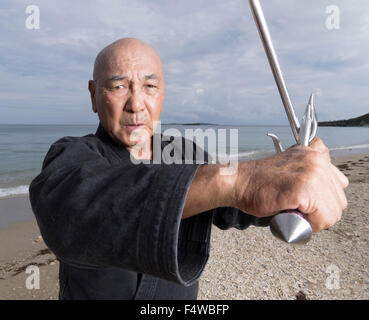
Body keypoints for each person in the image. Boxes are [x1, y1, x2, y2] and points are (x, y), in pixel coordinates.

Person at [29, 38, 348, 300]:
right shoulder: (72, 154)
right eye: (119, 86)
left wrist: (291, 192)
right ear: (93, 95)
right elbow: (72, 207)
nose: (136, 103)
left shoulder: (187, 153)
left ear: (163, 93)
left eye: (150, 86)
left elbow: (238, 207)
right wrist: (239, 181)